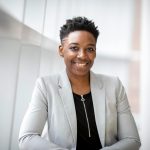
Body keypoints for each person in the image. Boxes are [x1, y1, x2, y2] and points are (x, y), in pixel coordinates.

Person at [19, 16, 141, 150]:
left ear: (95, 52)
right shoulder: (46, 86)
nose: (82, 55)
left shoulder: (114, 85)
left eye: (90, 49)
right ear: (61, 50)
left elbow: (132, 140)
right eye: (74, 48)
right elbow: (27, 138)